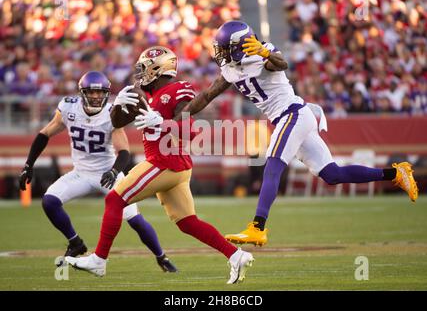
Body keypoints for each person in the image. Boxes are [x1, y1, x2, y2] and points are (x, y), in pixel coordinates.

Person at [177, 20, 419, 246]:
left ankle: (258, 227)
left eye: (224, 47)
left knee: (272, 164)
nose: (220, 52)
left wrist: (264, 52)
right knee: (332, 174)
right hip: (292, 117)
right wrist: (178, 117)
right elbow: (207, 95)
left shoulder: (263, 52)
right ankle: (396, 173)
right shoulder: (230, 69)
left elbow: (281, 63)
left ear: (239, 46)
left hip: (291, 114)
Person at [65, 47, 254, 284]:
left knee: (114, 199)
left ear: (158, 68)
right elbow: (116, 123)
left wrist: (163, 123)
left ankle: (99, 260)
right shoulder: (145, 93)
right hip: (173, 166)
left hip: (164, 162)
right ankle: (236, 255)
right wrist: (116, 106)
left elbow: (192, 132)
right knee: (187, 223)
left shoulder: (176, 91)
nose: (140, 73)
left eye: (144, 67)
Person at [19, 71, 177, 272]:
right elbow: (45, 133)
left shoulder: (112, 113)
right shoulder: (68, 107)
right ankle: (75, 242)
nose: (95, 96)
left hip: (108, 174)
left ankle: (161, 257)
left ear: (106, 93)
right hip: (81, 173)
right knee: (49, 201)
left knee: (134, 220)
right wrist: (28, 165)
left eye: (100, 93)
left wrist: (113, 171)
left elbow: (124, 152)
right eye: (91, 92)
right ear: (82, 93)